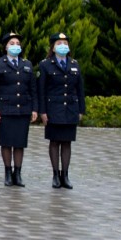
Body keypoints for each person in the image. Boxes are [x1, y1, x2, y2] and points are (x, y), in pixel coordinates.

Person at [0, 31, 38, 187]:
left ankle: (18, 173)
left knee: (19, 143)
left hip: (23, 108)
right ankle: (8, 172)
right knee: (6, 142)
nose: (15, 46)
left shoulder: (27, 64)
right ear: (5, 47)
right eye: (12, 44)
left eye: (17, 44)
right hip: (6, 108)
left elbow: (33, 89)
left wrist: (34, 109)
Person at [38, 31, 85, 189]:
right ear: (53, 47)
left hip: (71, 108)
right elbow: (42, 90)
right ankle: (55, 175)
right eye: (59, 44)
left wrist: (81, 110)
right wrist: (42, 112)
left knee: (67, 143)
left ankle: (65, 175)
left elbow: (80, 89)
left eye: (65, 43)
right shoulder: (45, 64)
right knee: (54, 142)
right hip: (53, 109)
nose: (63, 46)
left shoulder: (74, 64)